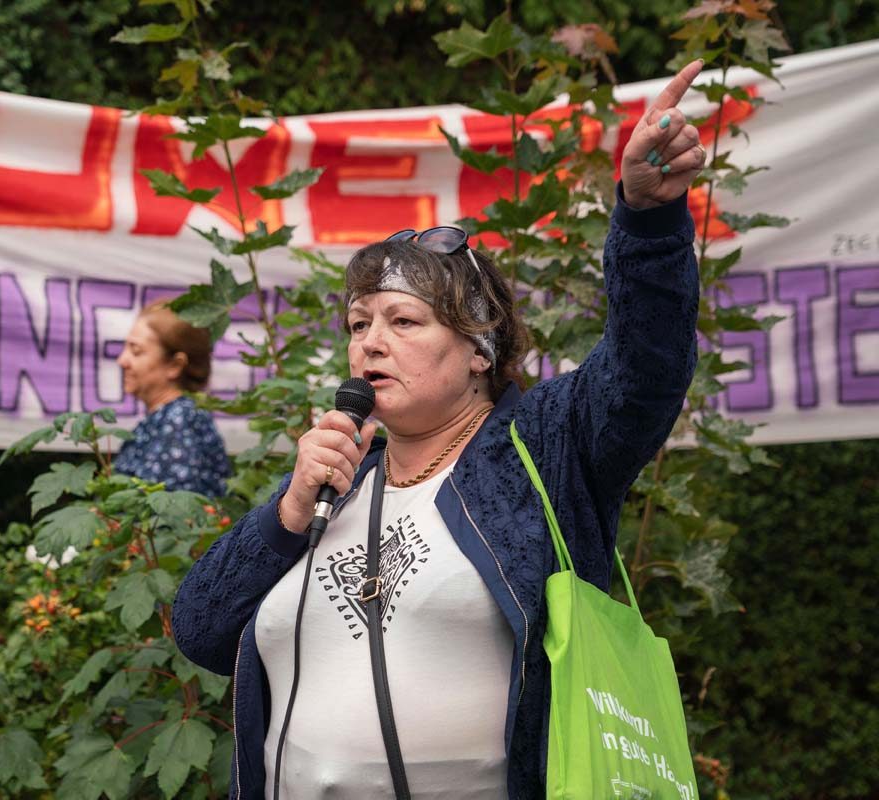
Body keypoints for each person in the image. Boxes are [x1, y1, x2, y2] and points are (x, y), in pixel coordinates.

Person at [172, 61, 708, 800]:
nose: (369, 343)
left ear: (480, 345)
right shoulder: (337, 481)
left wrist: (648, 223)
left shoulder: (544, 447)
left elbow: (645, 369)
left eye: (402, 321)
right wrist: (289, 512)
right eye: (359, 325)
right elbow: (199, 630)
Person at [113, 299, 231, 497]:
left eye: (136, 351)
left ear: (175, 365)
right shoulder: (170, 418)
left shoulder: (179, 424)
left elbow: (172, 520)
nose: (122, 360)